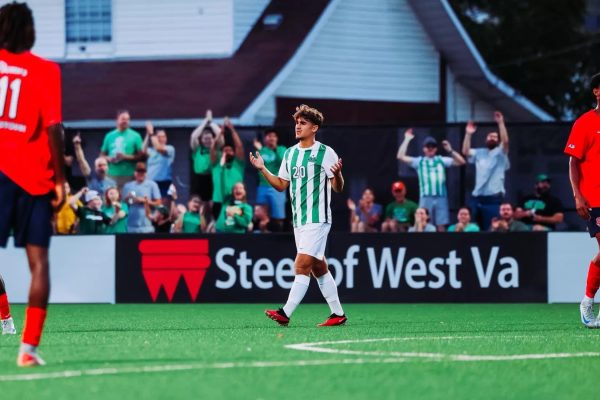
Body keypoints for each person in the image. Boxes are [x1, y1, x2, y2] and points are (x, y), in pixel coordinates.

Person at [0, 2, 66, 365]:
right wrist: (61, 182)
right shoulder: (45, 71)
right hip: (32, 177)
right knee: (38, 263)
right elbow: (54, 128)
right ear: (29, 31)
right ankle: (27, 350)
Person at [249, 104, 347, 327]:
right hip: (299, 220)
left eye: (303, 123)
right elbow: (282, 185)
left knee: (301, 265)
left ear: (315, 128)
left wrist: (338, 174)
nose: (298, 126)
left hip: (318, 218)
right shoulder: (290, 153)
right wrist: (263, 169)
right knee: (318, 267)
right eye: (296, 122)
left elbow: (338, 188)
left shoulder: (325, 152)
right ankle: (338, 314)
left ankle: (285, 312)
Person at [564, 72, 600, 328]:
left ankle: (587, 299)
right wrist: (577, 195)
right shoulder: (585, 123)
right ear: (596, 91)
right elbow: (573, 162)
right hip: (594, 199)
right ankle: (588, 302)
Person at [397, 129, 465, 231]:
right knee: (422, 222)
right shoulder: (419, 161)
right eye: (428, 146)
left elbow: (461, 162)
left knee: (441, 224)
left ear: (436, 149)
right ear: (424, 149)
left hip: (441, 196)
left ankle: (442, 245)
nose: (430, 148)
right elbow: (400, 156)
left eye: (432, 146)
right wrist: (407, 139)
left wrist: (450, 150)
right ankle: (423, 244)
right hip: (425, 196)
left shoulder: (441, 160)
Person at [462, 111, 510, 230]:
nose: (492, 138)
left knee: (492, 227)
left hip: (493, 198)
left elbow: (505, 142)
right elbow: (465, 151)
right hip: (477, 197)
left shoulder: (501, 153)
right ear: (486, 140)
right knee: (472, 227)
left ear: (498, 141)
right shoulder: (480, 152)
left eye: (495, 137)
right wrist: (468, 134)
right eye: (490, 136)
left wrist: (501, 123)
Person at [100, 110, 144, 190]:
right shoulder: (109, 136)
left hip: (129, 174)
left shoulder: (135, 136)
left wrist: (125, 156)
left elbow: (141, 156)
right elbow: (101, 155)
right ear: (117, 120)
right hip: (111, 174)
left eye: (128, 119)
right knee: (111, 198)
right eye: (123, 119)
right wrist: (108, 158)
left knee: (127, 199)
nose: (126, 121)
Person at [210, 117, 245, 219]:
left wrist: (232, 130)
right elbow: (212, 148)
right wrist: (219, 134)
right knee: (218, 228)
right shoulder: (216, 165)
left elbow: (239, 147)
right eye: (225, 150)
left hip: (235, 200)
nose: (227, 152)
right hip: (218, 201)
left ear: (234, 153)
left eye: (230, 150)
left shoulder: (238, 164)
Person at [254, 129, 287, 229]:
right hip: (263, 185)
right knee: (261, 214)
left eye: (273, 136)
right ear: (265, 139)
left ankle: (278, 236)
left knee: (278, 217)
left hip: (277, 185)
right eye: (269, 136)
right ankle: (264, 235)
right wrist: (259, 148)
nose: (271, 138)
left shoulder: (282, 149)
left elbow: (283, 162)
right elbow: (257, 165)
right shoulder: (261, 151)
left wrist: (275, 149)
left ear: (277, 138)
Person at [190, 109, 221, 204]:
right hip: (199, 179)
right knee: (199, 203)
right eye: (205, 138)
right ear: (202, 140)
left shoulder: (216, 148)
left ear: (213, 139)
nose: (207, 140)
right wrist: (205, 122)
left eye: (210, 138)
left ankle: (212, 219)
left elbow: (220, 134)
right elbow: (194, 137)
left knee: (212, 203)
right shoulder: (197, 148)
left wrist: (211, 122)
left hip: (212, 177)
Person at [122, 162, 162, 233]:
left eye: (143, 172)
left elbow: (159, 204)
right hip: (130, 225)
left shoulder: (152, 185)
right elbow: (123, 204)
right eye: (138, 171)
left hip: (147, 225)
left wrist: (144, 201)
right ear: (134, 173)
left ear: (146, 173)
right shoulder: (127, 186)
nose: (141, 174)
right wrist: (128, 198)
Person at [143, 121, 175, 198]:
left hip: (164, 183)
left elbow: (159, 148)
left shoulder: (170, 149)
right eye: (159, 137)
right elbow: (142, 151)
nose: (162, 139)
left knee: (164, 208)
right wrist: (148, 134)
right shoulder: (150, 150)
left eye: (163, 136)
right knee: (149, 205)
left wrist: (151, 133)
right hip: (150, 182)